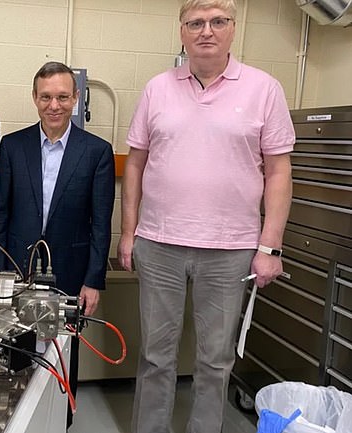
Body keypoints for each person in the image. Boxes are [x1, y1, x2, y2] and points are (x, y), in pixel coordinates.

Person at [117, 1, 294, 432]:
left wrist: (269, 246)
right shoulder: (158, 88)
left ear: (233, 29)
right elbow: (136, 164)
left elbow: (279, 171)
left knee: (214, 360)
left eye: (218, 21)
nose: (206, 31)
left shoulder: (264, 88)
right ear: (181, 31)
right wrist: (128, 233)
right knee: (156, 355)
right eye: (195, 23)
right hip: (160, 244)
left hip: (231, 250)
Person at [0, 61, 115, 425]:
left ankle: (61, 420)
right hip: (17, 270)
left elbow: (100, 223)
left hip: (71, 274)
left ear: (75, 98)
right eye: (46, 97)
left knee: (63, 354)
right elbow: (1, 215)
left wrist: (94, 280)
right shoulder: (12, 146)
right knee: (17, 349)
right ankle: (17, 421)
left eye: (62, 96)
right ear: (35, 98)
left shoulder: (96, 152)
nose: (54, 105)